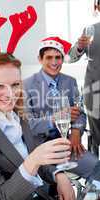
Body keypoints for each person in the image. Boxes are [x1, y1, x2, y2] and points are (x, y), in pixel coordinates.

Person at [0, 7, 76, 200]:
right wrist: (33, 159)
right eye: (0, 86)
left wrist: (58, 174)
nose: (10, 94)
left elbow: (42, 163)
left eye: (15, 85)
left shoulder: (20, 118)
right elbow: (1, 195)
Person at [23, 36, 98, 178]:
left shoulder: (70, 82)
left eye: (58, 57)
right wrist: (55, 118)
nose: (54, 62)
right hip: (39, 151)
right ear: (40, 59)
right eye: (49, 57)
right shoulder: (26, 85)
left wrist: (76, 132)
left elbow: (80, 113)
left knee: (97, 169)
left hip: (67, 146)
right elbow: (28, 125)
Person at [69, 0, 100, 156]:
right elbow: (71, 57)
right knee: (96, 131)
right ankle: (96, 167)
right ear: (97, 7)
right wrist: (80, 47)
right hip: (94, 89)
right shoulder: (90, 30)